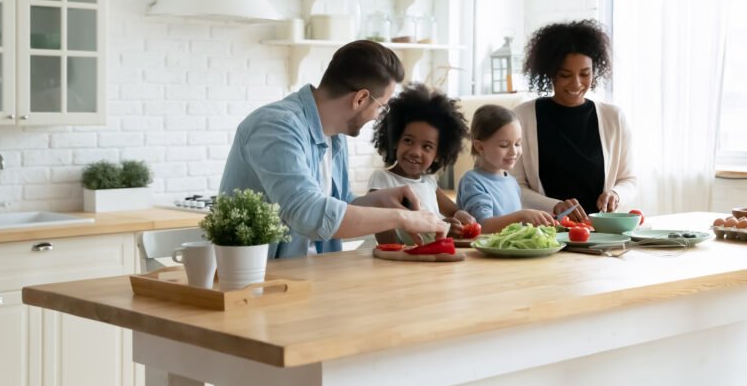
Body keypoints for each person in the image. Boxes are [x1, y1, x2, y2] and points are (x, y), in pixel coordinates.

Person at [219, 40, 447, 258]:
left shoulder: (335, 136)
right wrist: (400, 218)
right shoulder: (276, 126)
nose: (378, 116)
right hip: (263, 281)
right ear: (360, 99)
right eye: (381, 107)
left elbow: (338, 204)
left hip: (316, 272)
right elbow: (308, 213)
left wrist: (381, 199)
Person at [513, 19, 636, 222]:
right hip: (546, 232)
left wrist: (616, 194)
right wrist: (555, 206)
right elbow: (514, 186)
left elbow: (629, 179)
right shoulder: (522, 117)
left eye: (585, 74)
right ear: (550, 73)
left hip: (598, 230)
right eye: (565, 75)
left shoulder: (614, 118)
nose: (577, 83)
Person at [369, 83, 475, 241]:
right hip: (407, 261)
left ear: (438, 154)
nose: (415, 151)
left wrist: (460, 217)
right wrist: (440, 229)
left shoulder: (429, 183)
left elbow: (453, 212)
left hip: (436, 255)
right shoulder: (382, 180)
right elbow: (386, 240)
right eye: (408, 140)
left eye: (427, 146)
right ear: (395, 140)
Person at [456, 105, 555, 233]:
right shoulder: (472, 181)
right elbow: (482, 226)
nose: (514, 151)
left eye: (518, 144)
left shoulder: (512, 182)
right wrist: (522, 215)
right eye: (504, 145)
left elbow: (513, 228)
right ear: (480, 147)